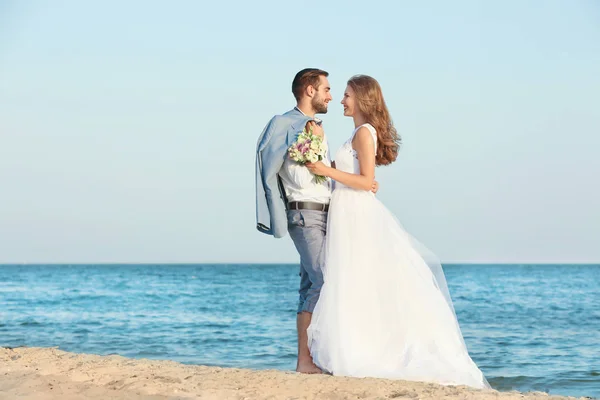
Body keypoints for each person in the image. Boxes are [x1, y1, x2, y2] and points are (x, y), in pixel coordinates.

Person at [305, 74, 490, 389]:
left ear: (362, 99)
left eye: (347, 94)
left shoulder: (365, 133)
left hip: (357, 214)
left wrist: (325, 170)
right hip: (346, 212)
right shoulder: (356, 133)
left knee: (357, 279)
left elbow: (365, 182)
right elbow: (362, 179)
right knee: (351, 282)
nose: (341, 100)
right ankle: (353, 348)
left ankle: (365, 351)